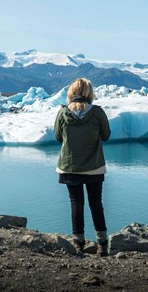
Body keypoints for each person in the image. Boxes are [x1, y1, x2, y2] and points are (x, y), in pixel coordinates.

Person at [54, 78, 111, 257]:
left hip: (70, 167)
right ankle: (102, 244)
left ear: (71, 92)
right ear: (89, 93)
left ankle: (78, 244)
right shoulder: (98, 112)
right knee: (96, 204)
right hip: (94, 167)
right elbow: (106, 135)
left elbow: (57, 137)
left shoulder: (63, 113)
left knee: (76, 203)